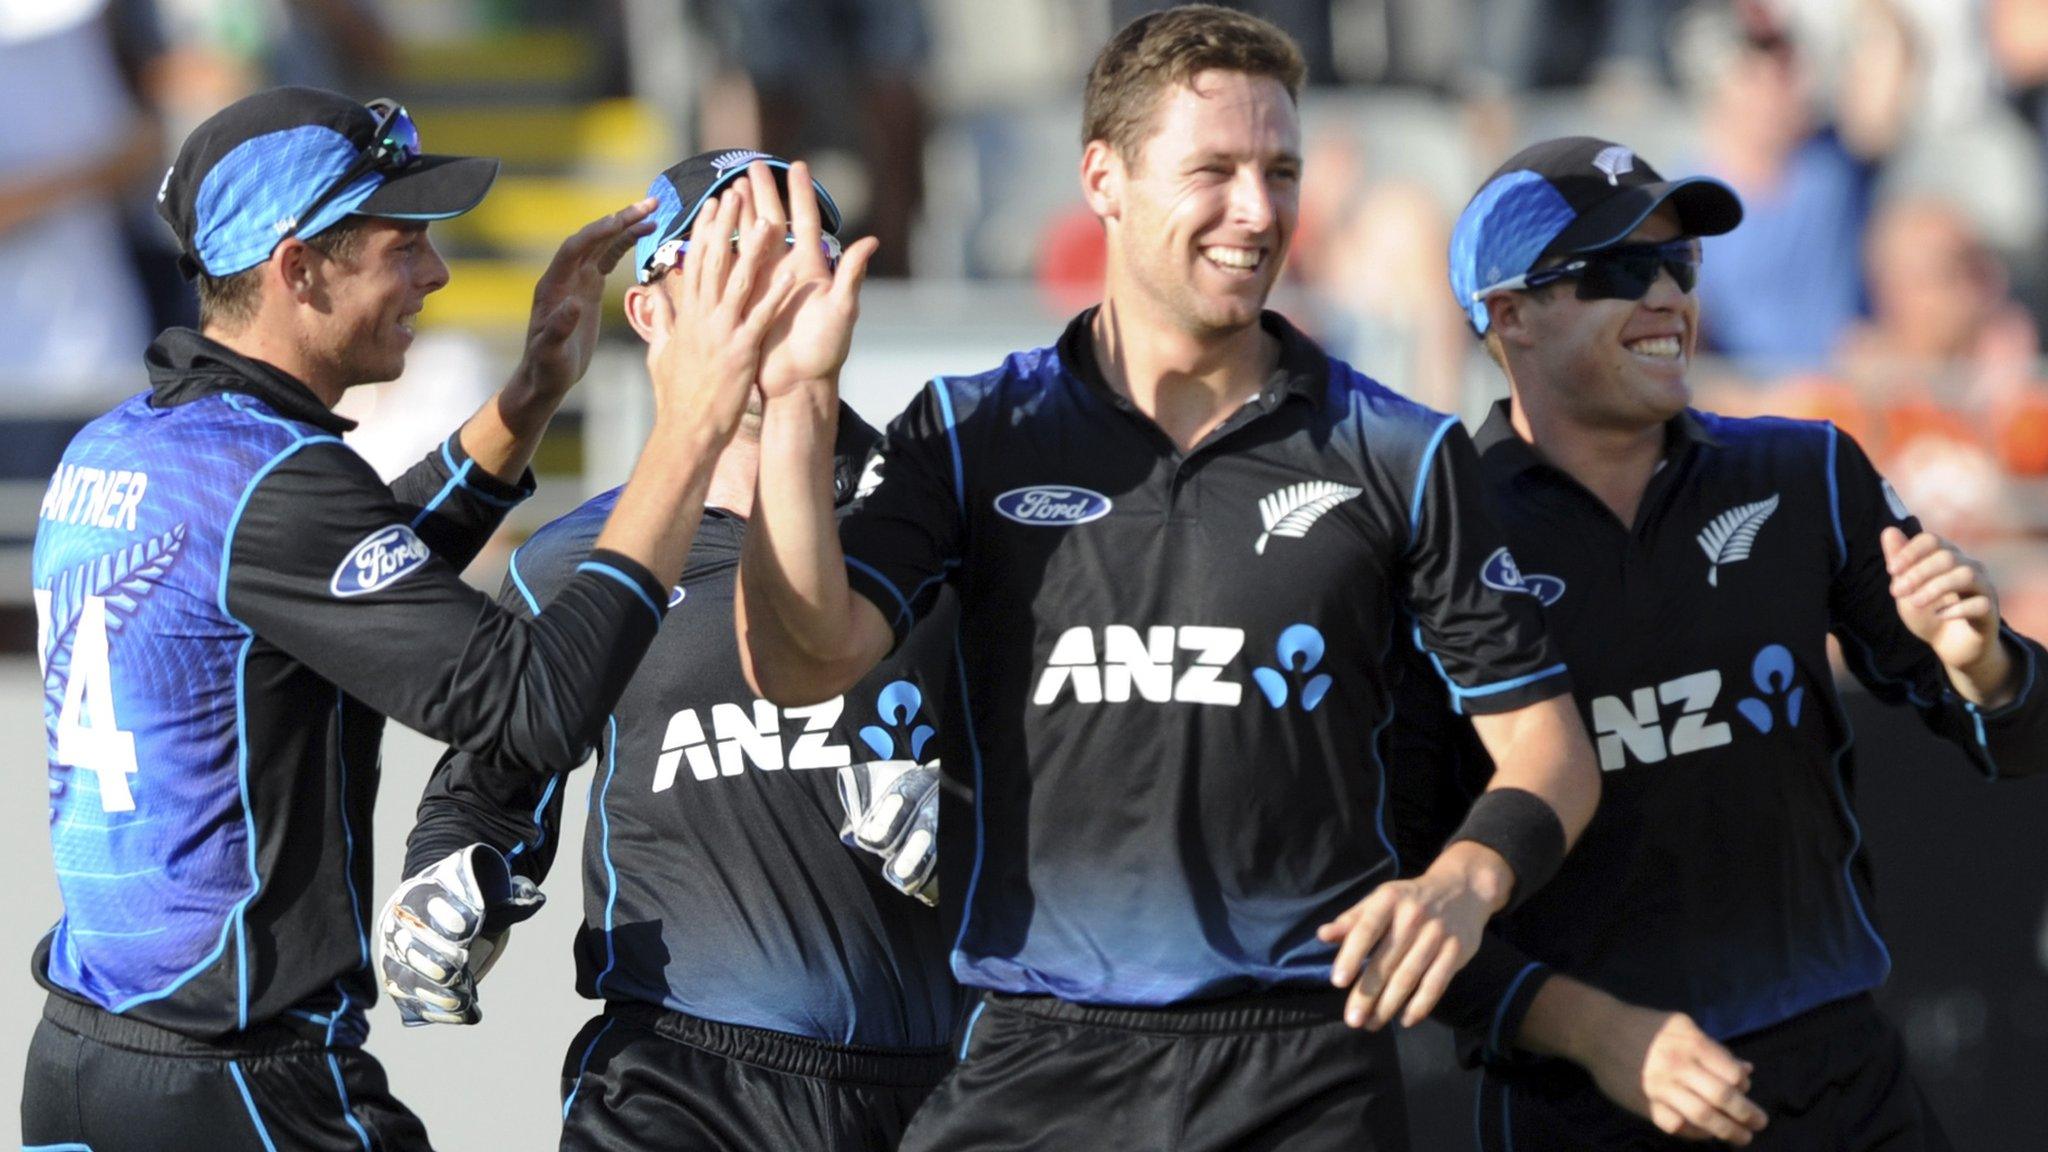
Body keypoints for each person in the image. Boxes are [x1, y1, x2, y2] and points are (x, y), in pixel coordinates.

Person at [735, 8, 1603, 1149]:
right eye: (1214, 170)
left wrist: (1467, 879)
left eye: (1279, 171)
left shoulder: (1400, 452)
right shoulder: (973, 430)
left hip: (1300, 1067)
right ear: (1102, 176)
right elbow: (800, 661)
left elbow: (1550, 754)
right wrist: (797, 403)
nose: (1257, 211)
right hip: (1036, 1058)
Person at [22, 88, 800, 1151]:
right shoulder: (277, 479)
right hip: (238, 1083)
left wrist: (528, 398)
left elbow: (345, 583)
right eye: (403, 245)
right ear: (298, 268)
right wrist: (694, 425)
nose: (434, 275)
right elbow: (531, 709)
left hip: (82, 1061)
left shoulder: (128, 443)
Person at [1403, 135, 2048, 1150]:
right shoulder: (1430, 532)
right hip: (1583, 1103)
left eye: (1679, 264)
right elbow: (1402, 896)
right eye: (1619, 269)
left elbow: (2018, 745)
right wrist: (1596, 1032)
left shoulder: (1803, 472)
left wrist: (1982, 663)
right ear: (1507, 311)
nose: (1665, 295)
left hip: (1842, 1086)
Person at [375, 151, 965, 1151]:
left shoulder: (943, 517)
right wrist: (444, 882)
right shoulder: (575, 561)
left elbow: (1102, 761)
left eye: (797, 261)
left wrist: (976, 816)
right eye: (730, 263)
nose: (767, 294)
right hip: (676, 1081)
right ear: (649, 311)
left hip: (939, 1086)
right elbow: (490, 795)